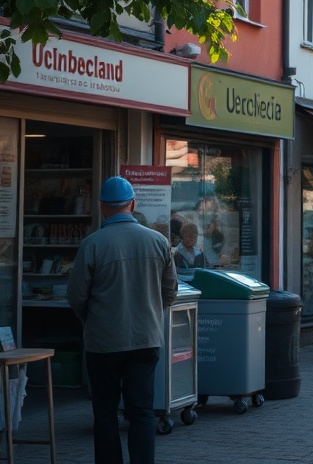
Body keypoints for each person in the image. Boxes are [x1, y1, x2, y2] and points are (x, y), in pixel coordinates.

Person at [66, 176, 177, 464]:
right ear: (133, 204)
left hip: (103, 342)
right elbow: (170, 292)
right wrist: (151, 313)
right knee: (142, 412)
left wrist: (90, 320)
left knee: (105, 413)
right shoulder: (158, 241)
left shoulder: (92, 244)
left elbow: (76, 295)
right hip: (145, 339)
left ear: (102, 206)